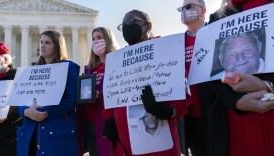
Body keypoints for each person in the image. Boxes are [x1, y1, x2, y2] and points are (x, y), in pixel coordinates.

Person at [102, 9, 189, 156]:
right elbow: (111, 94)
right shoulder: (117, 60)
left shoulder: (167, 50)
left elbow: (184, 92)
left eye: (132, 21)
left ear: (148, 25)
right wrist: (109, 118)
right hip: (125, 145)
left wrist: (170, 110)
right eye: (123, 25)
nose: (127, 27)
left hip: (160, 144)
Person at [200, 0, 274, 155]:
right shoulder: (218, 18)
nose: (240, 58)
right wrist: (237, 102)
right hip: (233, 124)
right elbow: (213, 70)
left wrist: (267, 85)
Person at [17, 30, 79, 156]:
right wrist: (24, 111)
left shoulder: (69, 67)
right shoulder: (32, 71)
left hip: (56, 131)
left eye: (47, 43)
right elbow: (20, 99)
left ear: (57, 45)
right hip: (32, 132)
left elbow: (71, 100)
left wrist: (44, 113)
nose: (42, 45)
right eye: (41, 42)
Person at [76, 27, 120, 156]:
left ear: (108, 39)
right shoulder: (89, 69)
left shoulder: (118, 65)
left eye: (100, 38)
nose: (96, 42)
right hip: (90, 122)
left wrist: (100, 96)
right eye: (93, 39)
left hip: (109, 122)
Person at [177, 0, 208, 156]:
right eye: (182, 8)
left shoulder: (216, 32)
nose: (185, 10)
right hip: (190, 117)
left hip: (215, 113)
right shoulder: (175, 43)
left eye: (189, 7)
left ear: (203, 10)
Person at [0, 42, 22, 156]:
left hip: (9, 136)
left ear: (5, 60)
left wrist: (5, 115)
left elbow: (23, 102)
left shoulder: (18, 77)